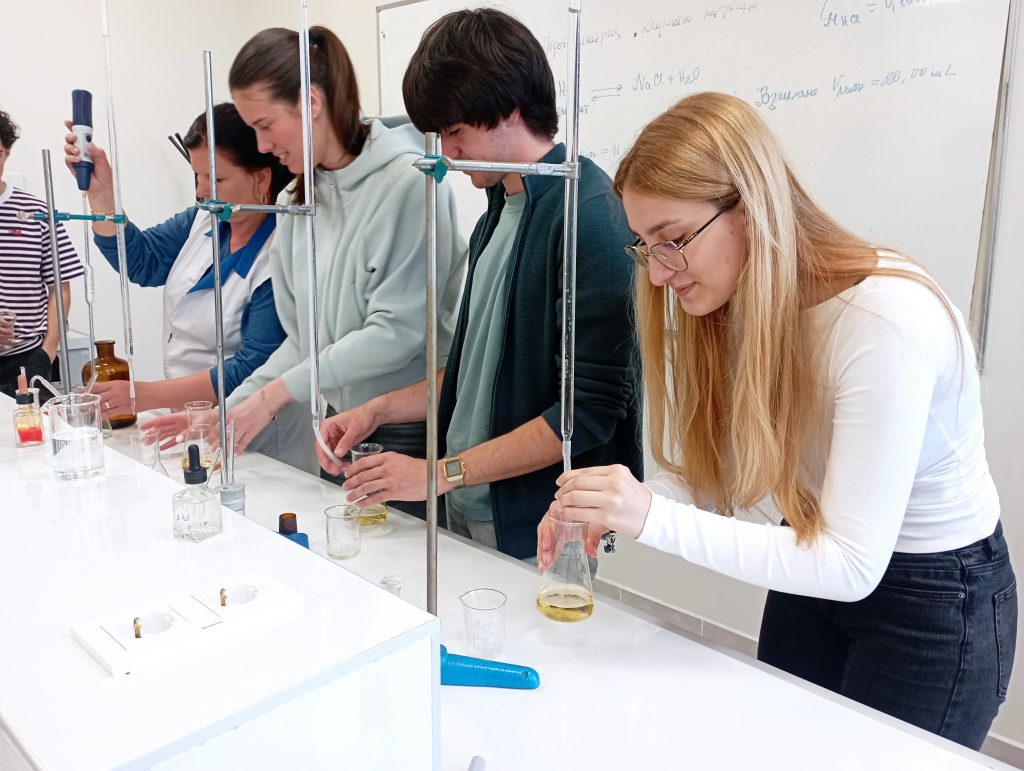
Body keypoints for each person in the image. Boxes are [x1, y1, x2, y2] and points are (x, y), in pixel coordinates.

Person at [540, 91, 1018, 749]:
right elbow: (719, 477)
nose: (657, 275)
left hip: (931, 597)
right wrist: (611, 504)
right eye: (646, 246)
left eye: (673, 241)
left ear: (749, 208)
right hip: (815, 555)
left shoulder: (884, 322)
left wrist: (649, 515)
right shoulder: (745, 301)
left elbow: (850, 564)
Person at [318, 9, 642, 559]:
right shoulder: (499, 208)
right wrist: (379, 409)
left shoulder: (589, 216)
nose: (447, 153)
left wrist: (438, 473)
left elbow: (583, 415)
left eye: (454, 133)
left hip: (542, 527)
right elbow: (476, 376)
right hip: (472, 505)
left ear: (508, 110)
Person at [145, 26, 465, 503]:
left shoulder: (406, 184)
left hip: (410, 428)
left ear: (311, 102)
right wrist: (229, 410)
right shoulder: (298, 199)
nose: (262, 144)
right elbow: (302, 341)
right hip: (340, 422)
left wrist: (273, 396)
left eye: (265, 125)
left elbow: (397, 332)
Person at [63, 103, 291, 416]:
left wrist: (144, 395)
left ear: (261, 179)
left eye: (215, 178)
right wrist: (101, 195)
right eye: (197, 175)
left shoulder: (281, 253)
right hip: (192, 417)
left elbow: (253, 367)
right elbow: (143, 262)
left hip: (258, 423)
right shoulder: (202, 220)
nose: (201, 190)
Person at [1, 108, 83, 397]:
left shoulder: (36, 212)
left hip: (27, 360)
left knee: (37, 427)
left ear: (7, 152)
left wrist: (48, 350)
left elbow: (60, 287)